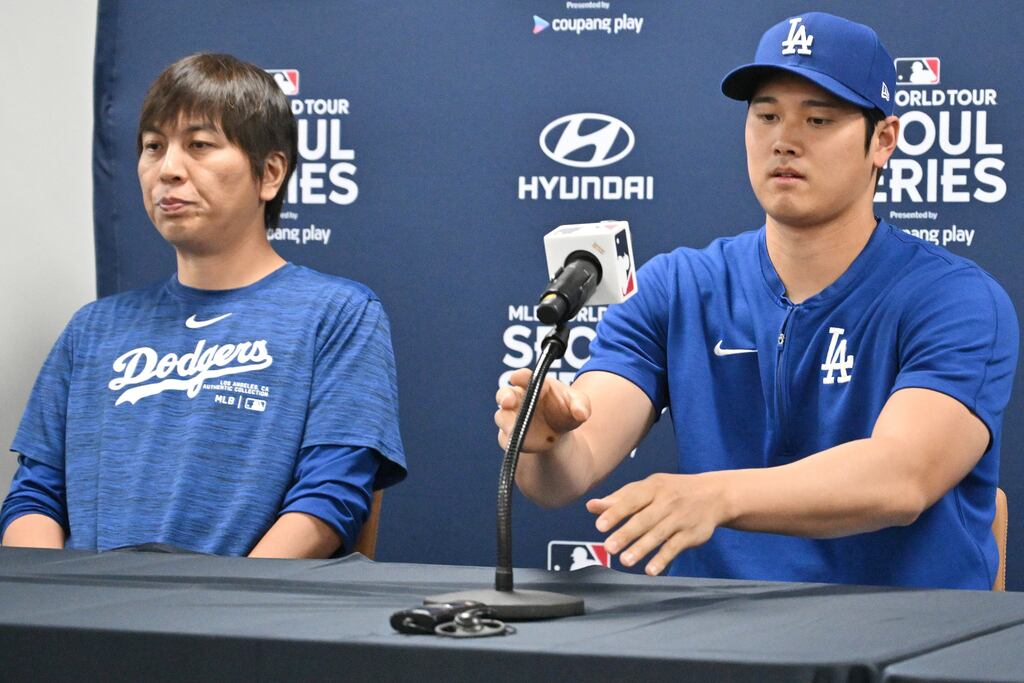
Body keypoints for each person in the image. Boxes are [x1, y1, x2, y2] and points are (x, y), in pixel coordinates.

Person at [495, 13, 1017, 589]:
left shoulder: (956, 298)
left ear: (884, 140)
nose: (784, 140)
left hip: (900, 640)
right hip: (718, 638)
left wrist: (717, 495)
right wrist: (544, 441)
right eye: (766, 115)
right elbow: (567, 475)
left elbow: (902, 478)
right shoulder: (677, 286)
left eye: (818, 119)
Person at [0, 54, 406, 558]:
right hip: (89, 620)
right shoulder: (93, 329)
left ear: (270, 173)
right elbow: (35, 497)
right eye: (153, 146)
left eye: (199, 145)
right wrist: (60, 609)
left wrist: (215, 612)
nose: (168, 169)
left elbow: (330, 500)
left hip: (238, 622)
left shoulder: (338, 315)